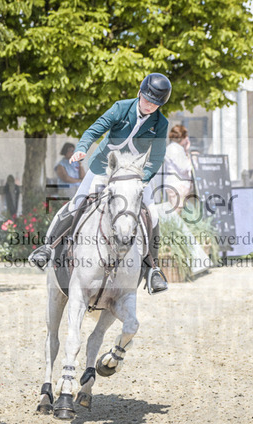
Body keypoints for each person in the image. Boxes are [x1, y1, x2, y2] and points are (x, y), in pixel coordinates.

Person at [29, 73, 172, 294]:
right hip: (104, 167)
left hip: (134, 174)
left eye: (155, 103)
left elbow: (157, 156)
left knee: (153, 214)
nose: (150, 105)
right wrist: (81, 148)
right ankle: (48, 248)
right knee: (77, 203)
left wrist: (140, 180)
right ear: (139, 93)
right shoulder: (120, 108)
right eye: (147, 99)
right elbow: (95, 129)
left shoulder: (161, 123)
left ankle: (153, 268)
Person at [163, 124, 194, 211]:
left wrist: (186, 150)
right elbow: (184, 167)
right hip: (178, 186)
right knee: (177, 212)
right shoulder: (175, 149)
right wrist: (192, 159)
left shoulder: (176, 148)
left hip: (176, 185)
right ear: (183, 137)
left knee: (178, 211)